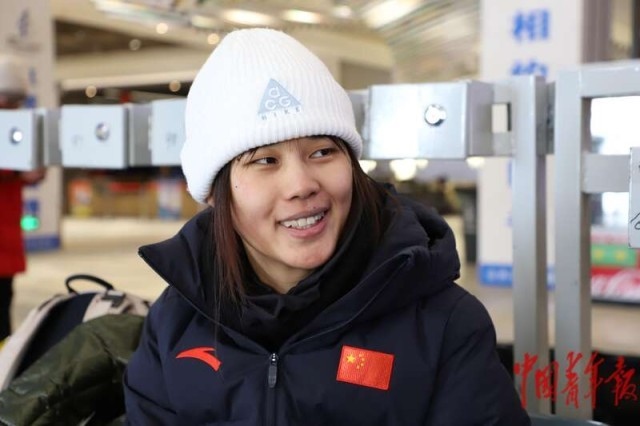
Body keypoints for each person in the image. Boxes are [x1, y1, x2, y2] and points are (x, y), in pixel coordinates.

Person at [124, 28, 529, 425]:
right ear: (215, 193)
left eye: (321, 152)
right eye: (265, 160)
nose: (301, 185)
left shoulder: (443, 324)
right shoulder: (176, 322)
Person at [0, 54, 46, 343]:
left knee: (3, 303)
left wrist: (31, 172)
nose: (12, 107)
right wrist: (18, 172)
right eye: (8, 101)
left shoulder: (15, 128)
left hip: (5, 239)